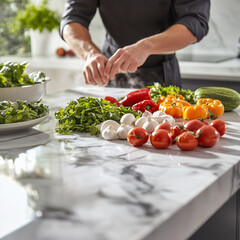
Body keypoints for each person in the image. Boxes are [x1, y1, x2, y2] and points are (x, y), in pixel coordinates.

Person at [60, 0, 210, 88]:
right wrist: (89, 54)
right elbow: (72, 19)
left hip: (162, 77)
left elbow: (195, 21)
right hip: (110, 74)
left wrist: (146, 47)